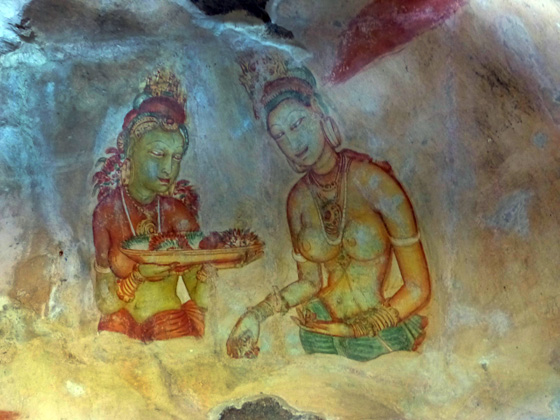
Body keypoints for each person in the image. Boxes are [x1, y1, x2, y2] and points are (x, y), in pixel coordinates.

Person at [227, 56, 431, 361]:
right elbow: (310, 282)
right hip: (318, 330)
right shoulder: (297, 200)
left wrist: (357, 329)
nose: (293, 141)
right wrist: (256, 314)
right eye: (280, 135)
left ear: (318, 111)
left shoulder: (375, 183)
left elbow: (417, 287)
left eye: (297, 124)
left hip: (376, 334)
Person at [92, 70, 211, 342]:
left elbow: (201, 298)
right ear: (131, 151)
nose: (168, 168)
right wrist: (137, 276)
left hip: (169, 328)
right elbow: (106, 303)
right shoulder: (107, 212)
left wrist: (209, 267)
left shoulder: (179, 214)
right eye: (158, 154)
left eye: (176, 157)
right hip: (119, 329)